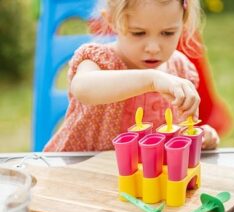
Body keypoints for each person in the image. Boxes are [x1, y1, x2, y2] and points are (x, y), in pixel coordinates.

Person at [44, 0, 219, 152]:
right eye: (138, 33)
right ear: (112, 20)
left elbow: (173, 132)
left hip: (148, 181)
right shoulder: (99, 59)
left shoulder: (180, 69)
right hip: (82, 174)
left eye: (167, 33)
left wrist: (197, 137)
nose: (153, 47)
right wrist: (152, 79)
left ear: (183, 23)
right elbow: (82, 88)